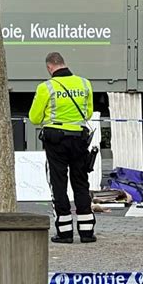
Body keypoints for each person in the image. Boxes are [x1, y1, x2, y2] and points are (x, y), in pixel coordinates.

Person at [29, 52, 96, 243]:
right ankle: (86, 232)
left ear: (50, 67)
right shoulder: (84, 83)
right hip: (79, 138)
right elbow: (88, 113)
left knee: (59, 183)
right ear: (64, 64)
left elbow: (34, 118)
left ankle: (65, 232)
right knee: (81, 182)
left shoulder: (46, 87)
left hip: (55, 140)